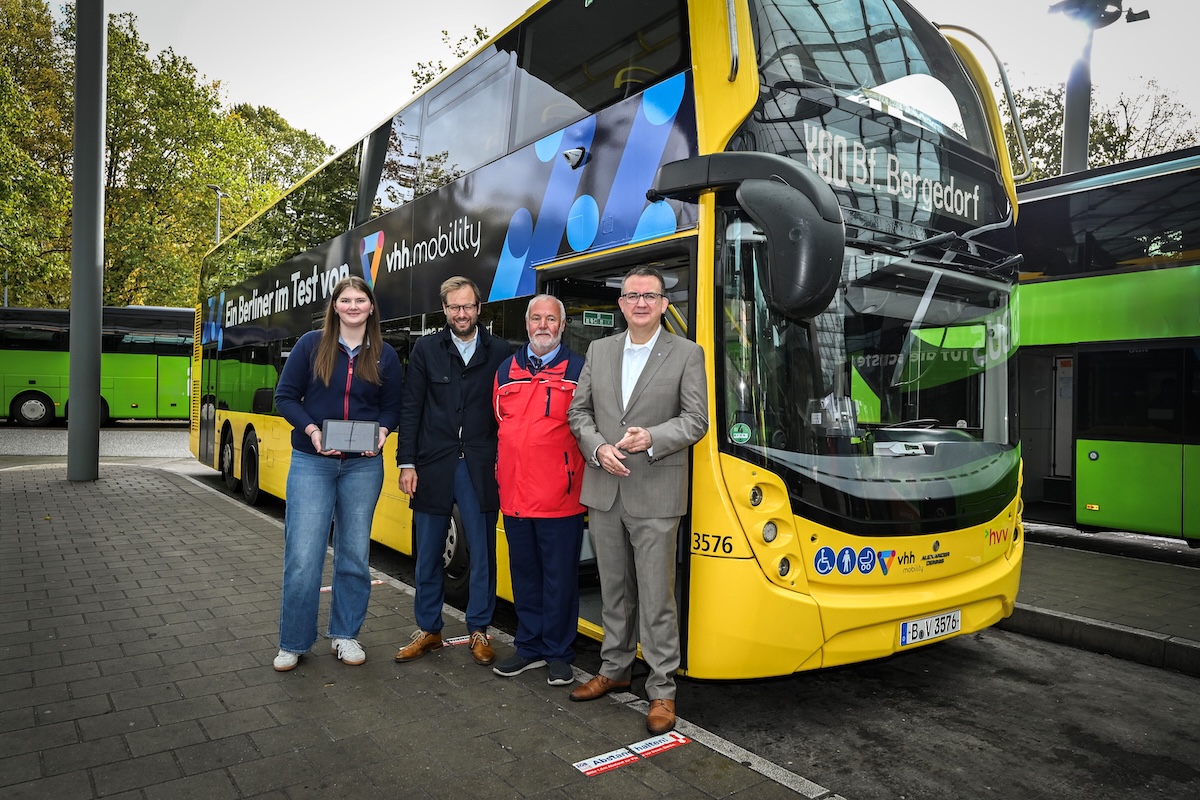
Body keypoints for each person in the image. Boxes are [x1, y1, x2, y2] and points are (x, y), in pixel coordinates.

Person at [567, 266, 708, 735]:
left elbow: (695, 420)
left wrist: (651, 437)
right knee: (613, 591)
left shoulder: (687, 353)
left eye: (650, 295)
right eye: (632, 296)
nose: (641, 303)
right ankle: (615, 669)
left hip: (656, 491)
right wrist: (597, 446)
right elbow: (579, 411)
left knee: (656, 598)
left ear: (665, 304)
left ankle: (663, 691)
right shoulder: (600, 349)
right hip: (605, 489)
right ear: (621, 305)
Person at [272, 275, 402, 672]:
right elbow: (285, 397)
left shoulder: (385, 354)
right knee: (303, 556)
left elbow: (392, 407)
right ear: (334, 306)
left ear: (371, 307)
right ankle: (293, 642)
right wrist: (312, 432)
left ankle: (345, 635)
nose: (352, 306)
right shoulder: (310, 345)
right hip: (313, 461)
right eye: (345, 300)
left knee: (354, 553)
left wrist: (380, 435)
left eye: (359, 300)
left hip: (363, 464)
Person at [394, 276, 512, 666]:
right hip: (432, 466)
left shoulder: (500, 352)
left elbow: (507, 413)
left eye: (468, 306)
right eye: (454, 307)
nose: (462, 314)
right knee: (427, 553)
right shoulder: (426, 349)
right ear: (444, 310)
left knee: (482, 552)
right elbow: (411, 409)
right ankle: (429, 629)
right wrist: (406, 462)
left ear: (480, 308)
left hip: (480, 467)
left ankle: (479, 629)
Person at [491, 294, 587, 687]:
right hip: (514, 497)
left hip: (560, 499)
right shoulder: (504, 371)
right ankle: (529, 647)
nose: (543, 325)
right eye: (536, 318)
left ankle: (559, 653)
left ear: (562, 326)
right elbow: (497, 425)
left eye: (551, 318)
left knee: (560, 579)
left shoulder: (580, 369)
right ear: (526, 324)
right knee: (524, 575)